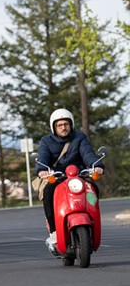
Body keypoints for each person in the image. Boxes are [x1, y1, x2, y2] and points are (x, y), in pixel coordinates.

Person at [35, 108, 104, 252]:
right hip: (57, 176)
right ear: (54, 127)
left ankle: (92, 218)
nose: (63, 128)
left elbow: (88, 154)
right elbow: (42, 158)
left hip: (78, 174)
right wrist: (42, 170)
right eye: (59, 125)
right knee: (48, 193)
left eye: (66, 124)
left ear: (71, 124)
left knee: (93, 189)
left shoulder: (79, 138)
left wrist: (96, 165)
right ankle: (54, 231)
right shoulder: (46, 141)